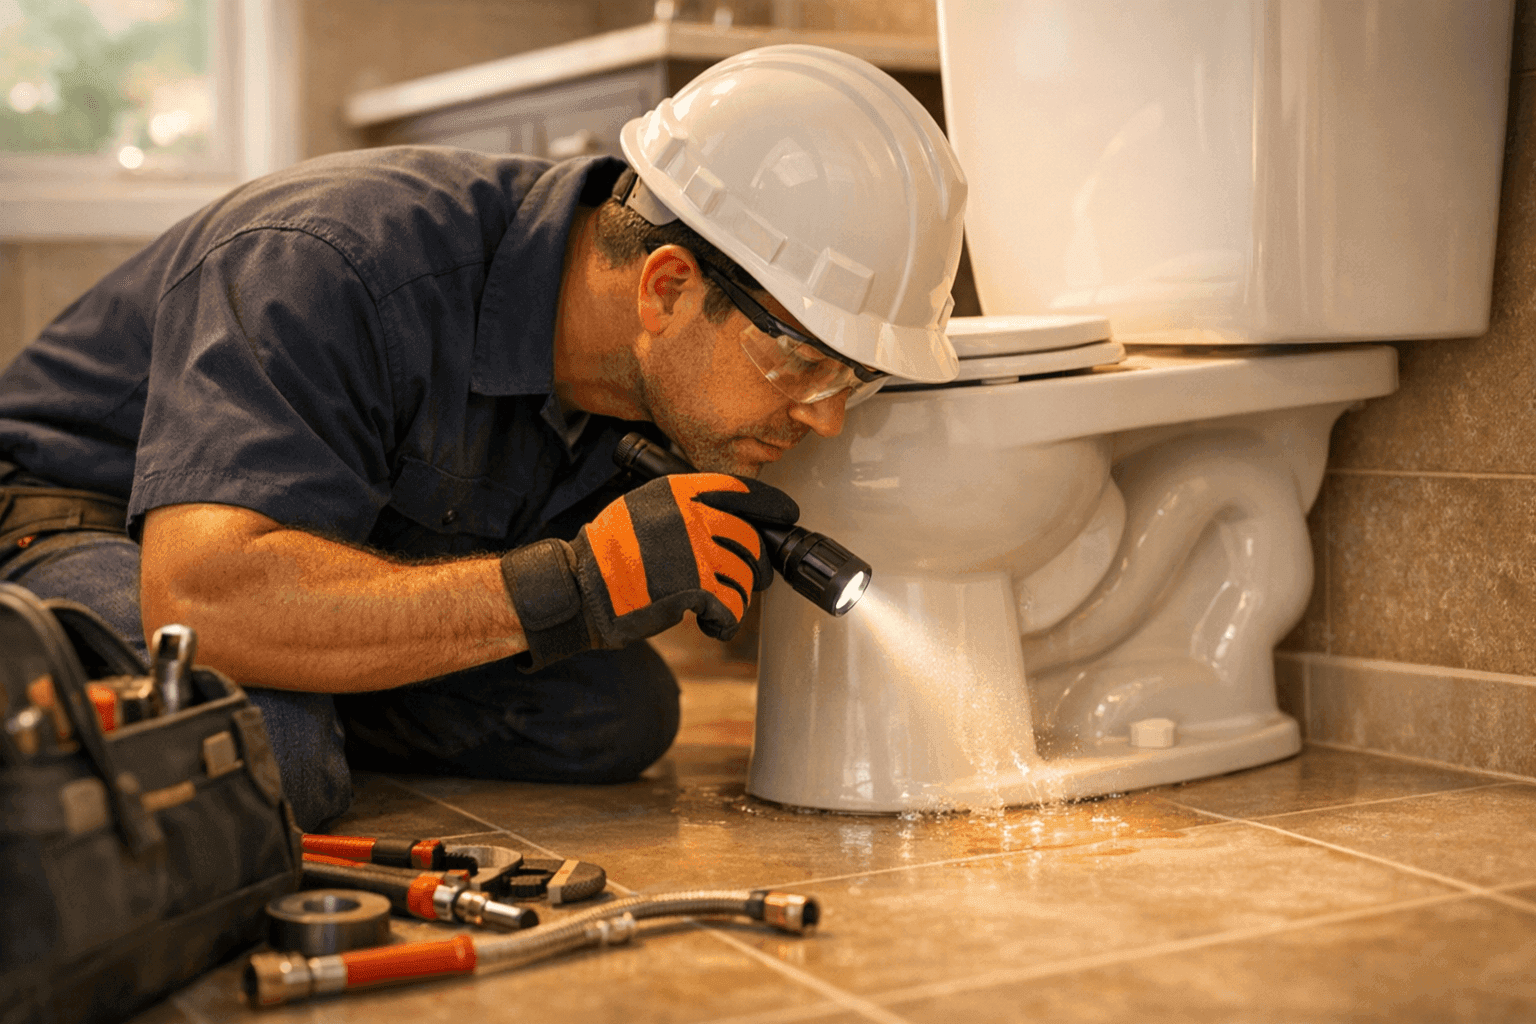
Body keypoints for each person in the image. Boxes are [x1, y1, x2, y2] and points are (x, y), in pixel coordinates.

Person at [0, 45, 965, 830]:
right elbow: (202, 597)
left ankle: (309, 664)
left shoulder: (633, 358)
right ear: (667, 287)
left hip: (295, 550)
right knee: (267, 755)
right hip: (72, 518)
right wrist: (569, 585)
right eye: (802, 361)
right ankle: (277, 688)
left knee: (613, 717)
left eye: (854, 375)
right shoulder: (333, 263)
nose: (827, 415)